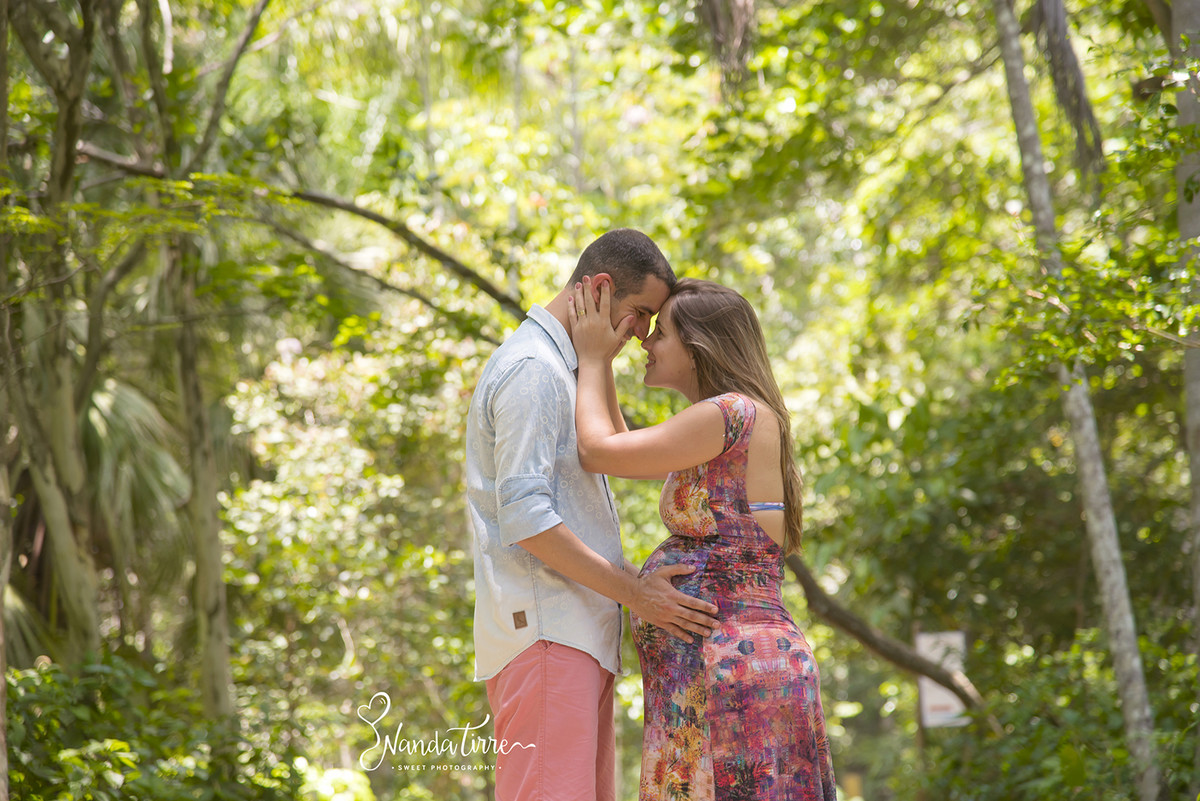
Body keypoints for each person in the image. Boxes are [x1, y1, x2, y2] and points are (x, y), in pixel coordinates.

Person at [465, 229, 721, 801]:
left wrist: (634, 588)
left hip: (576, 636)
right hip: (547, 637)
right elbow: (526, 518)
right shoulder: (533, 370)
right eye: (640, 315)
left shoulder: (568, 371)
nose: (641, 336)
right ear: (600, 289)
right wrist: (638, 594)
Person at [567, 276, 837, 801]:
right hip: (718, 675)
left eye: (659, 332)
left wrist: (595, 357)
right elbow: (622, 447)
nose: (645, 342)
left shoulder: (730, 413)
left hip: (728, 677)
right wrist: (601, 362)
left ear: (698, 347)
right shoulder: (731, 418)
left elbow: (597, 452)